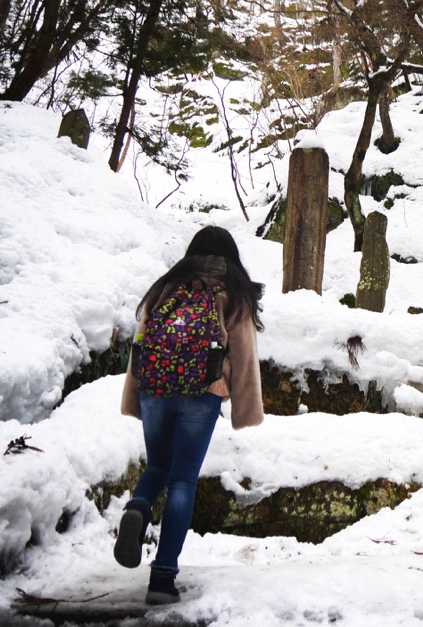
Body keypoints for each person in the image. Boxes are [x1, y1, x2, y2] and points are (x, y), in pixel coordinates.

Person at [115, 225, 264, 605]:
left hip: (156, 390)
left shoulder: (167, 286)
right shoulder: (233, 292)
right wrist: (244, 411)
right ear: (230, 255)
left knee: (156, 467)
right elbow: (244, 358)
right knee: (182, 482)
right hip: (201, 394)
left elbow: (141, 342)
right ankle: (162, 579)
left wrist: (135, 396)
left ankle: (137, 508)